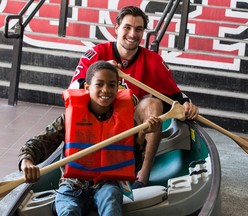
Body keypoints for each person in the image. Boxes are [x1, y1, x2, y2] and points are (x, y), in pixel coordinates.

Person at [69, 6, 199, 188]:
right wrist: (101, 69)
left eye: (138, 29)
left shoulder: (153, 61)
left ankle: (142, 176)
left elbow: (175, 95)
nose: (132, 34)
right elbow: (73, 88)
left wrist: (187, 105)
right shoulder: (97, 54)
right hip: (97, 127)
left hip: (132, 134)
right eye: (127, 27)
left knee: (154, 104)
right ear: (116, 29)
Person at [18, 61, 162, 216]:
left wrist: (142, 136)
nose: (106, 90)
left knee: (111, 205)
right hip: (72, 185)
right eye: (99, 84)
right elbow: (40, 142)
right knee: (68, 211)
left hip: (107, 184)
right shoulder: (69, 118)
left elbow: (133, 165)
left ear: (117, 88)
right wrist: (26, 160)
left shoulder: (127, 122)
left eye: (112, 85)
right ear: (87, 87)